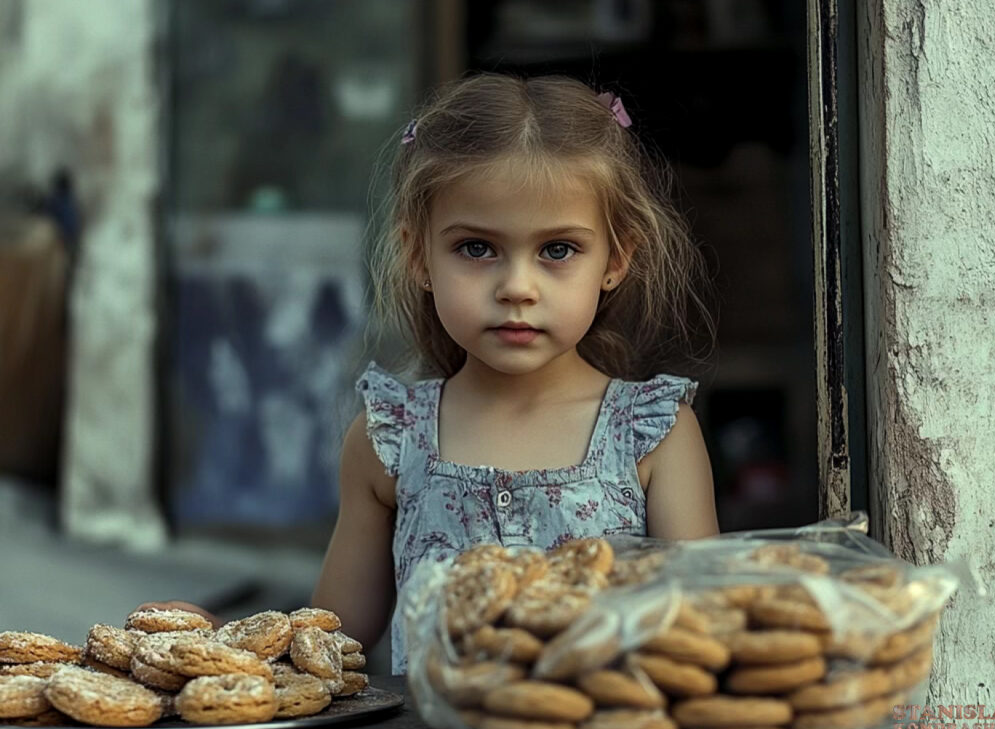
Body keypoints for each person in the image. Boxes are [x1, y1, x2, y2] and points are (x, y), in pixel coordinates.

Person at [144, 72, 720, 674]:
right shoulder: (389, 440)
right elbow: (328, 649)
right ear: (419, 257)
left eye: (557, 250)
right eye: (476, 248)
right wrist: (221, 642)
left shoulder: (652, 436)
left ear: (616, 259)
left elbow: (704, 636)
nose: (517, 288)